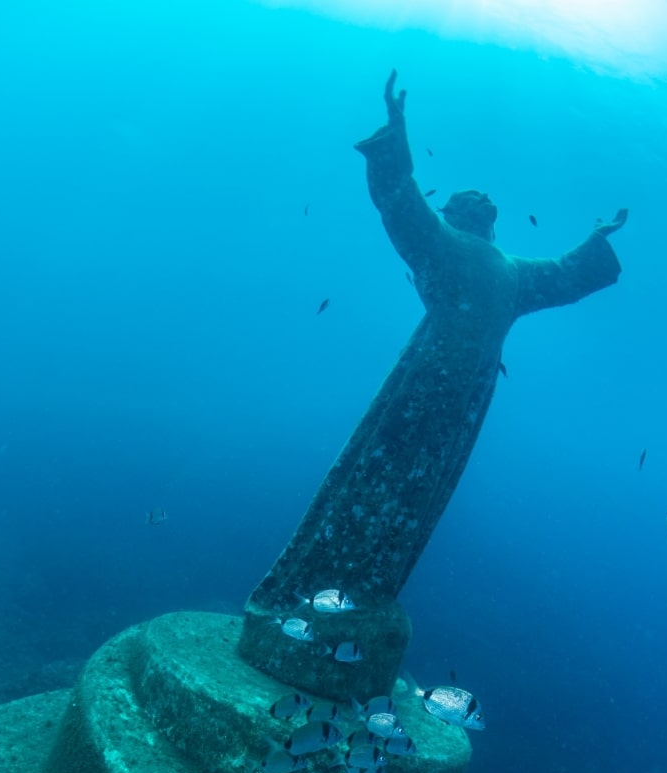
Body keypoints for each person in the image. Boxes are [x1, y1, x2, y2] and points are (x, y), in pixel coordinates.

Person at [248, 72, 627, 614]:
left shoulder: (499, 265)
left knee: (399, 479)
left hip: (450, 385)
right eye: (473, 199)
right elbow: (404, 201)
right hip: (445, 383)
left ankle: (347, 586)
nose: (483, 199)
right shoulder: (461, 251)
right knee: (398, 478)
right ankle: (341, 585)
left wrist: (595, 236)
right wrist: (395, 133)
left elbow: (564, 273)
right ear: (465, 216)